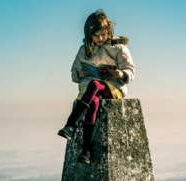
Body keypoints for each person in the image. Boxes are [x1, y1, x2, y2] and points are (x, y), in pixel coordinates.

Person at [57, 9, 135, 164]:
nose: (100, 38)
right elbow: (74, 74)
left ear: (108, 31)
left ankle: (71, 124)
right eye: (96, 35)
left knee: (94, 85)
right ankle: (86, 151)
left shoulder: (118, 48)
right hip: (91, 91)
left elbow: (130, 72)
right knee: (93, 102)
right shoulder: (84, 49)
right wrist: (82, 73)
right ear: (89, 34)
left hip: (113, 88)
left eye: (103, 34)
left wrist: (119, 74)